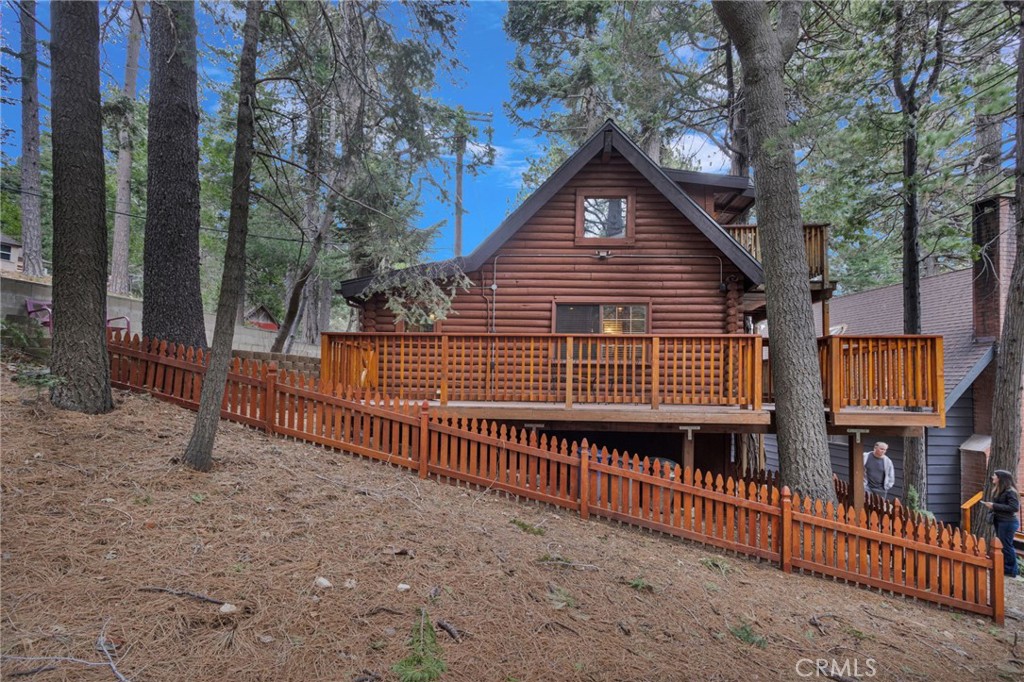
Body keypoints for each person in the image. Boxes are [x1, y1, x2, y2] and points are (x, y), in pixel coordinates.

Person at [982, 470, 1020, 579]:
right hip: (1000, 521)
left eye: (995, 475)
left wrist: (994, 506)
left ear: (1001, 478)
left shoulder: (1010, 491)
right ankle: (1004, 567)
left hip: (1008, 523)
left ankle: (1012, 571)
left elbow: (1014, 508)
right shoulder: (1001, 490)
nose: (993, 477)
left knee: (1007, 546)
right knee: (1003, 545)